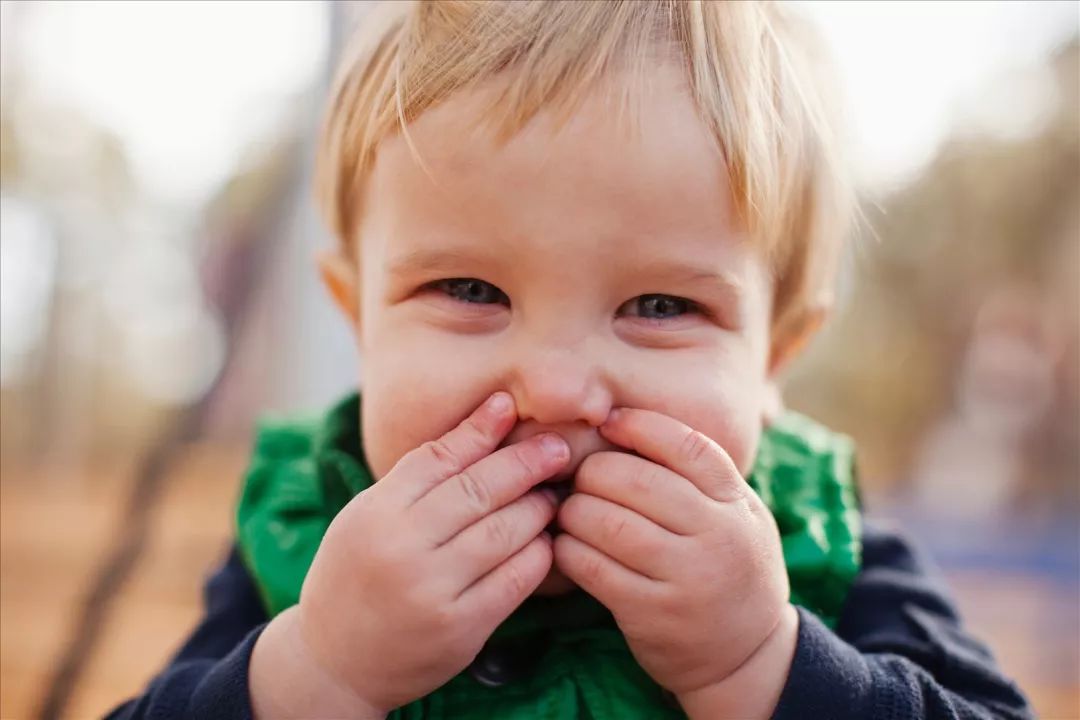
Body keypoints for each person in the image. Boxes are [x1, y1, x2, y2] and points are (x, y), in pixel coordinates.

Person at [107, 2, 1033, 718]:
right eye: (470, 291)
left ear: (774, 358)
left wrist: (762, 665)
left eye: (662, 305)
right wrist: (316, 671)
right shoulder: (303, 538)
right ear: (359, 319)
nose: (553, 390)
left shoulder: (824, 549)